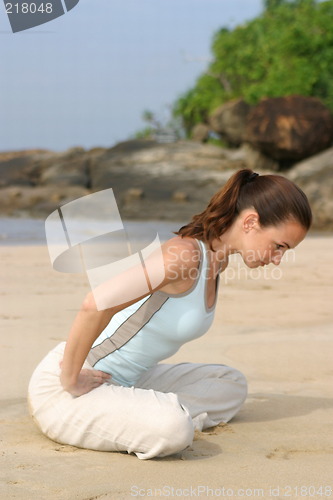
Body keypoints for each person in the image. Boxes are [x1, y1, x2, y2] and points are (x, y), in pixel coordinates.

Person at [28, 169, 312, 460]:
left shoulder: (216, 263)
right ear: (251, 222)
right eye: (279, 246)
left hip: (132, 379)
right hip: (73, 385)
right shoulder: (184, 255)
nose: (277, 259)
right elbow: (95, 303)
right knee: (173, 429)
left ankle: (144, 414)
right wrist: (70, 379)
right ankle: (160, 419)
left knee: (230, 384)